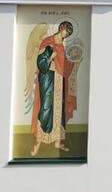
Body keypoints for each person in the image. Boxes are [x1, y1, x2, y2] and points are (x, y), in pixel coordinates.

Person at [30, 21, 77, 156]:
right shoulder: (48, 42)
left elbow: (64, 65)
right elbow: (41, 63)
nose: (65, 36)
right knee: (46, 107)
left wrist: (73, 60)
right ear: (61, 28)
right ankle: (38, 142)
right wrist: (50, 57)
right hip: (48, 79)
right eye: (65, 32)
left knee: (58, 110)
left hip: (59, 80)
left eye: (68, 34)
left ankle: (57, 142)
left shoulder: (62, 46)